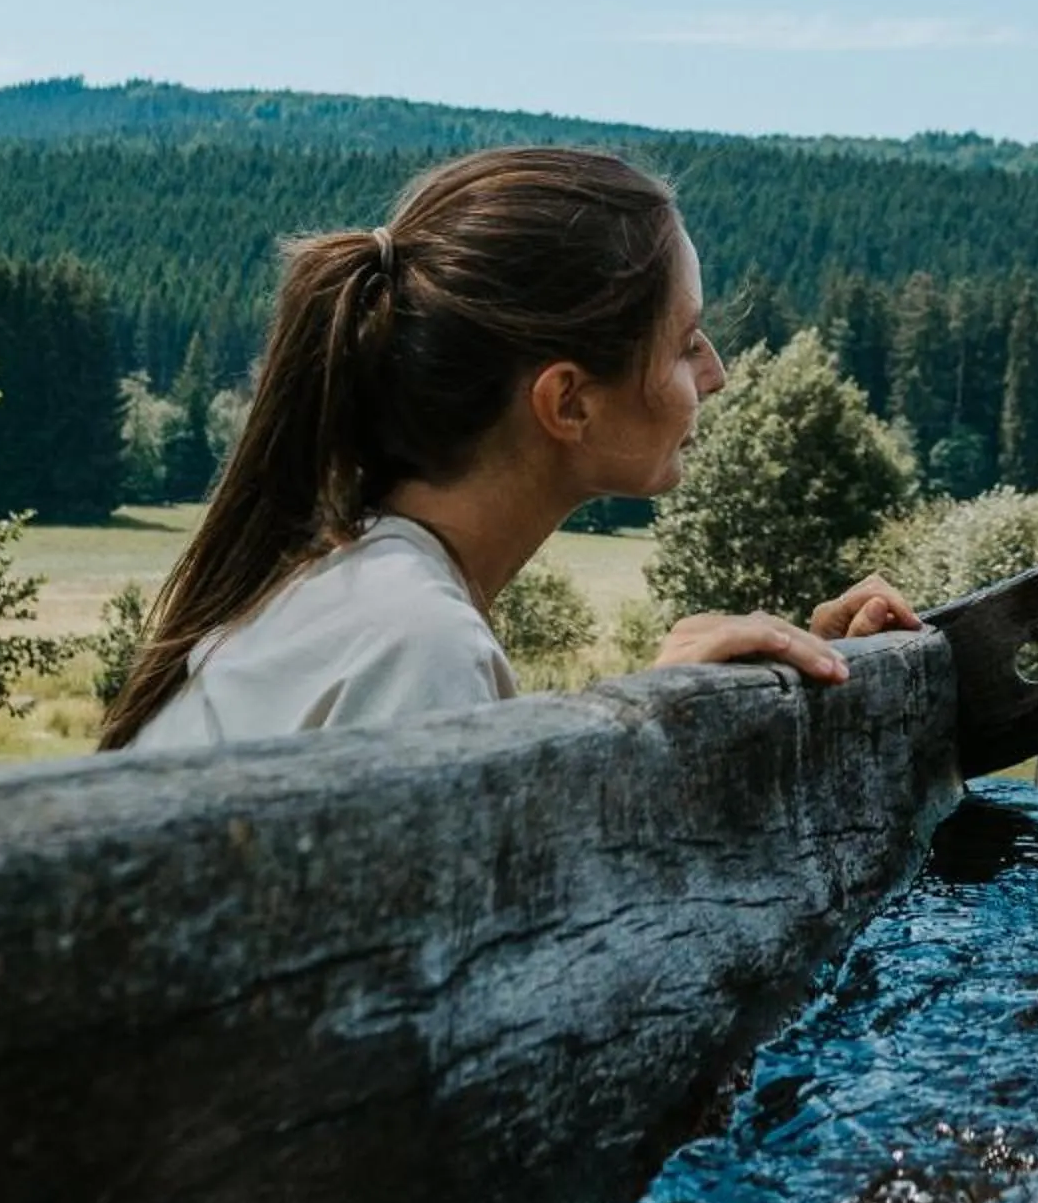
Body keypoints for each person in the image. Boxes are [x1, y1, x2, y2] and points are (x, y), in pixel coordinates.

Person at [100, 146, 917, 754]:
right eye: (686, 341)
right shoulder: (420, 648)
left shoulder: (344, 586)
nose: (717, 374)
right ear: (567, 401)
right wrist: (646, 717)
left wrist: (691, 700)